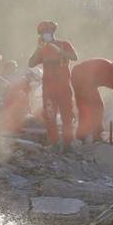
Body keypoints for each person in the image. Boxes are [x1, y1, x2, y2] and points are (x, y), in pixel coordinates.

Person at [28, 21, 79, 149]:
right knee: (50, 116)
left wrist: (60, 51)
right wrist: (39, 48)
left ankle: (68, 143)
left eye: (47, 31)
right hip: (48, 88)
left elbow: (74, 57)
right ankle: (54, 142)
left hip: (63, 87)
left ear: (52, 31)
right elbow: (31, 63)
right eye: (43, 33)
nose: (45, 34)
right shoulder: (42, 49)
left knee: (67, 115)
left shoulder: (64, 44)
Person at [71, 58, 113, 143]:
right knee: (97, 107)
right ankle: (95, 135)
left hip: (78, 74)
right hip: (83, 77)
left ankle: (82, 136)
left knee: (85, 107)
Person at [1, 67, 41, 135]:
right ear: (31, 77)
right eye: (36, 79)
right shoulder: (21, 88)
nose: (37, 82)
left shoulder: (25, 87)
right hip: (15, 123)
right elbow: (18, 108)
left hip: (16, 120)